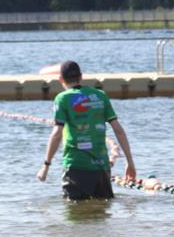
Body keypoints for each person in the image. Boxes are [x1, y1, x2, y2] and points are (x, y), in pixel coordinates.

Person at [37, 61, 136, 200]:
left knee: (74, 214)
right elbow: (118, 130)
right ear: (81, 77)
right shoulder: (100, 95)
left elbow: (57, 134)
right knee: (102, 214)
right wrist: (130, 163)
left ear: (61, 79)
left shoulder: (62, 98)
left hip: (76, 165)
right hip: (101, 167)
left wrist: (46, 166)